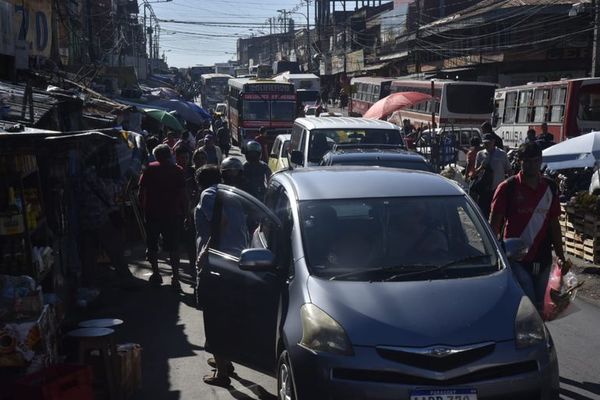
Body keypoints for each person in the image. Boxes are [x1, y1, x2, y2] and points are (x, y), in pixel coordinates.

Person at [490, 142, 568, 309]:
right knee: (528, 303)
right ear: (520, 161)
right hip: (516, 258)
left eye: (535, 161)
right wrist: (494, 253)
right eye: (527, 161)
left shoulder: (549, 187)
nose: (532, 165)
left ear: (540, 161)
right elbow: (495, 222)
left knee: (540, 305)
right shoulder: (507, 188)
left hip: (543, 257)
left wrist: (560, 255)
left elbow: (554, 223)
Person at [79, 151, 135, 288]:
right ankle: (126, 279)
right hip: (100, 219)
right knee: (115, 251)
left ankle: (90, 284)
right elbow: (111, 191)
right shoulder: (94, 178)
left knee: (89, 256)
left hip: (85, 221)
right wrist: (124, 179)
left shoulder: (79, 178)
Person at [138, 144, 188, 292]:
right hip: (172, 214)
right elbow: (184, 195)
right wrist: (185, 213)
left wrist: (142, 210)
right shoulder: (177, 170)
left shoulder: (149, 169)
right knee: (173, 247)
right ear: (170, 154)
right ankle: (176, 277)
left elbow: (141, 192)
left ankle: (156, 273)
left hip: (152, 213)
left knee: (152, 245)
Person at [473, 133, 511, 218]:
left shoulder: (502, 154)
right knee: (483, 214)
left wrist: (509, 185)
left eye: (489, 142)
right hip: (484, 190)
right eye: (485, 143)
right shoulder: (480, 154)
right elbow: (475, 172)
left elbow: (509, 170)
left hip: (498, 189)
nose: (487, 145)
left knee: (497, 214)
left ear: (493, 142)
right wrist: (481, 167)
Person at [175, 145, 198, 268]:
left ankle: (193, 264)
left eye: (187, 157)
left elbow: (196, 189)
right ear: (176, 158)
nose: (185, 160)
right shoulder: (173, 171)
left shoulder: (192, 171)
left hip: (190, 210)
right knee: (177, 241)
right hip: (176, 211)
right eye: (182, 157)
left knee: (191, 241)